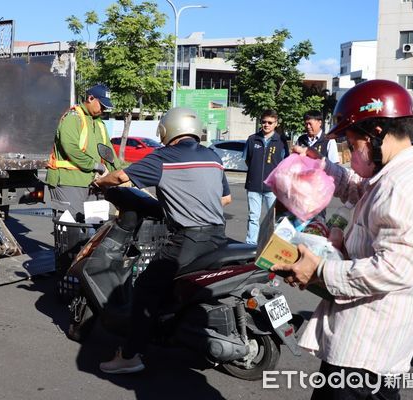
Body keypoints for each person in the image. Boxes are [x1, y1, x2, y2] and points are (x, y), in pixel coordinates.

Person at [272, 79, 413, 400]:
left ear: (376, 133)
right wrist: (317, 165)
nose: (351, 155)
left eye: (352, 145)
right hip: (369, 347)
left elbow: (393, 269)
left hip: (366, 353)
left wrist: (320, 270)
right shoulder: (396, 174)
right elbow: (359, 188)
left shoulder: (402, 188)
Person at [94, 107, 232, 374]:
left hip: (188, 240)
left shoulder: (164, 157)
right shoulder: (213, 157)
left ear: (167, 130)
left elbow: (122, 177)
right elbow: (225, 199)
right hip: (218, 235)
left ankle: (130, 355)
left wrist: (102, 182)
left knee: (145, 287)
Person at [45, 84, 124, 221]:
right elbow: (70, 147)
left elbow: (108, 152)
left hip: (92, 183)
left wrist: (119, 174)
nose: (104, 109)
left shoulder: (99, 123)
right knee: (70, 225)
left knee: (91, 225)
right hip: (68, 181)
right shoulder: (73, 117)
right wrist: (95, 166)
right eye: (102, 105)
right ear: (90, 98)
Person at [243, 109, 289, 245]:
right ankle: (250, 245)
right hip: (254, 186)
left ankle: (271, 246)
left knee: (273, 219)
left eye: (270, 122)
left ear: (276, 123)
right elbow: (247, 159)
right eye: (264, 122)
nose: (266, 125)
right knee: (253, 217)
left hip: (272, 188)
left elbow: (284, 163)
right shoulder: (252, 139)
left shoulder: (281, 141)